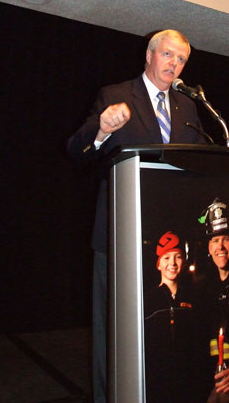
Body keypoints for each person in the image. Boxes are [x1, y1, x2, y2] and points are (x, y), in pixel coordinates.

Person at [67, 30, 205, 403]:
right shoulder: (115, 96)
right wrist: (101, 130)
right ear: (149, 55)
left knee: (160, 327)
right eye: (168, 55)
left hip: (169, 238)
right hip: (120, 234)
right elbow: (77, 150)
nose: (173, 64)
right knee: (113, 332)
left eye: (181, 60)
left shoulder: (187, 108)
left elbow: (200, 157)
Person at [195, 198, 229, 403]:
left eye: (225, 239)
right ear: (209, 248)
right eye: (215, 241)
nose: (221, 247)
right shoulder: (202, 287)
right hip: (207, 378)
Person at [144, 231, 195, 403]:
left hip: (187, 383)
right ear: (158, 264)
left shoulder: (192, 298)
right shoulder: (147, 300)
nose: (172, 263)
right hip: (157, 384)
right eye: (166, 258)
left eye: (178, 257)